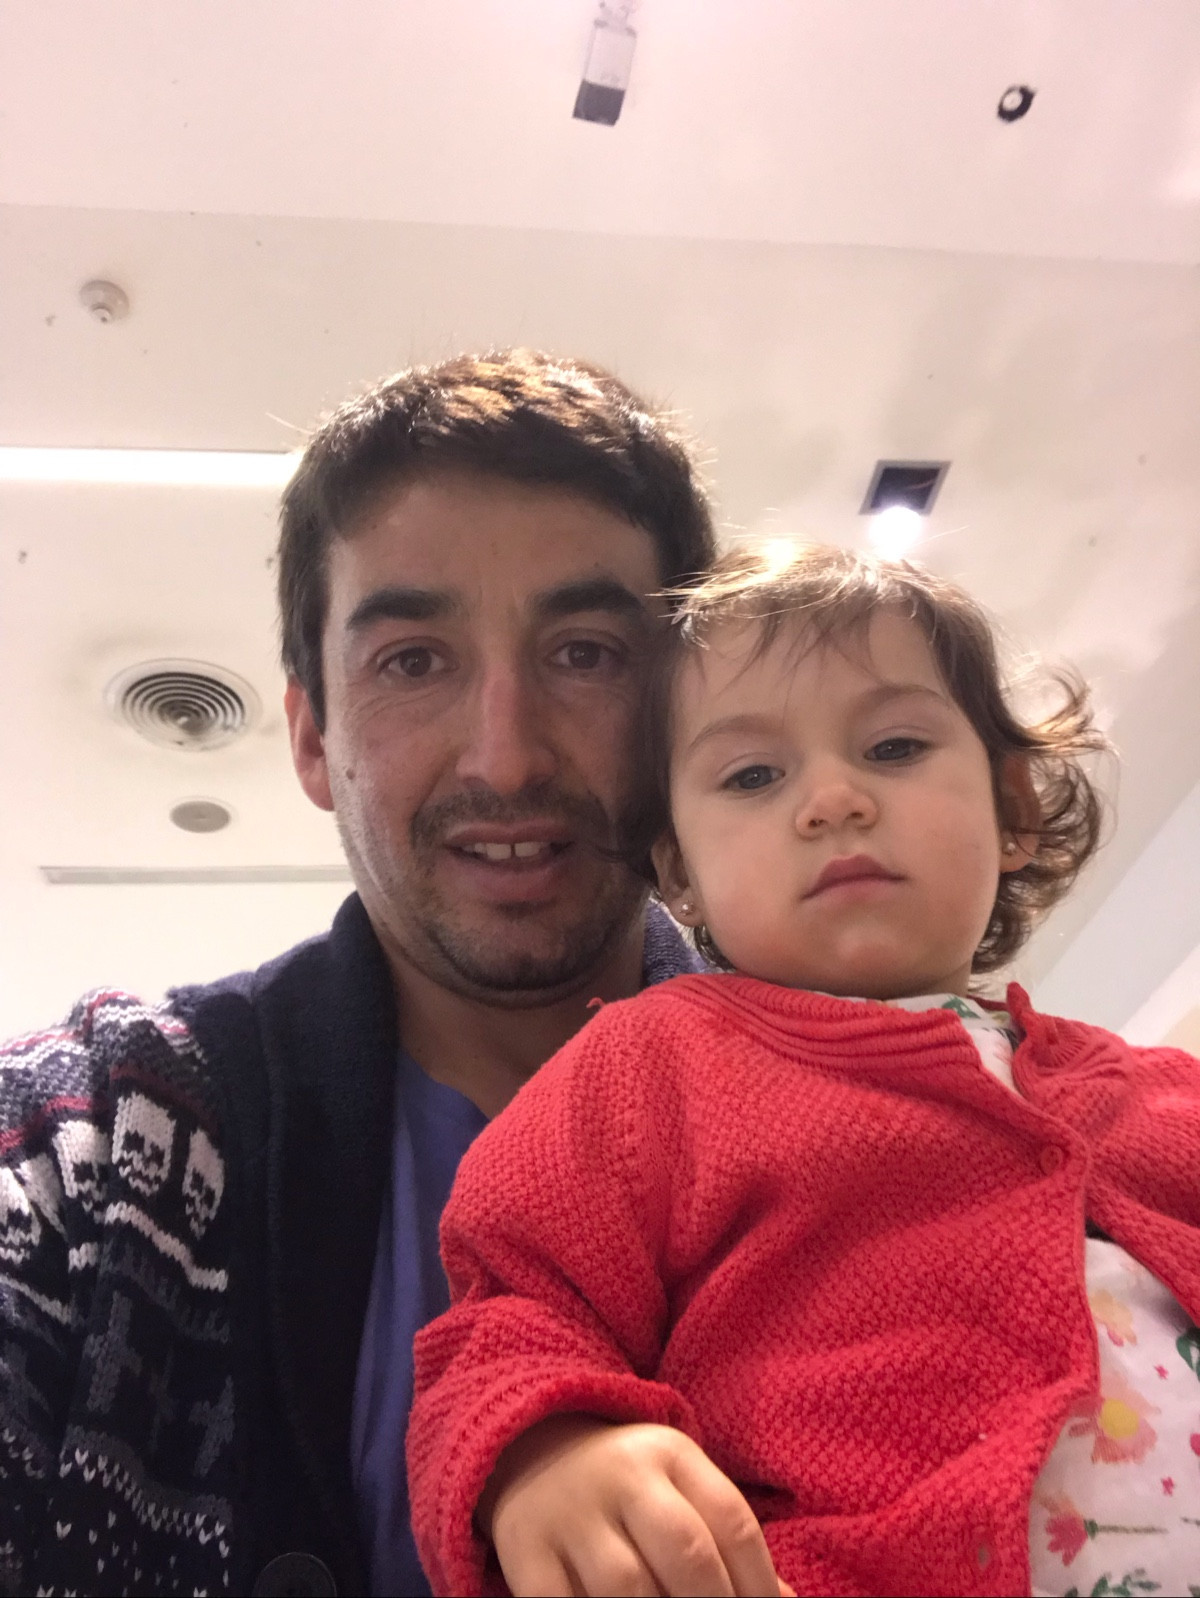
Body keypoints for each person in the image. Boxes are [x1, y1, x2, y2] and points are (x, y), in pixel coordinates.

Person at [0, 350, 744, 1598]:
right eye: (413, 659)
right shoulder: (99, 1146)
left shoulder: (900, 1110)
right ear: (311, 734)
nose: (505, 756)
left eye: (587, 652)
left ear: (686, 709)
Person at [407, 542, 1200, 1598]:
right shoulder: (648, 1063)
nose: (832, 799)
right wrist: (548, 1451)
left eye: (895, 746)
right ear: (679, 873)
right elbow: (511, 1309)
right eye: (752, 775)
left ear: (1012, 807)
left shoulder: (1163, 1089)